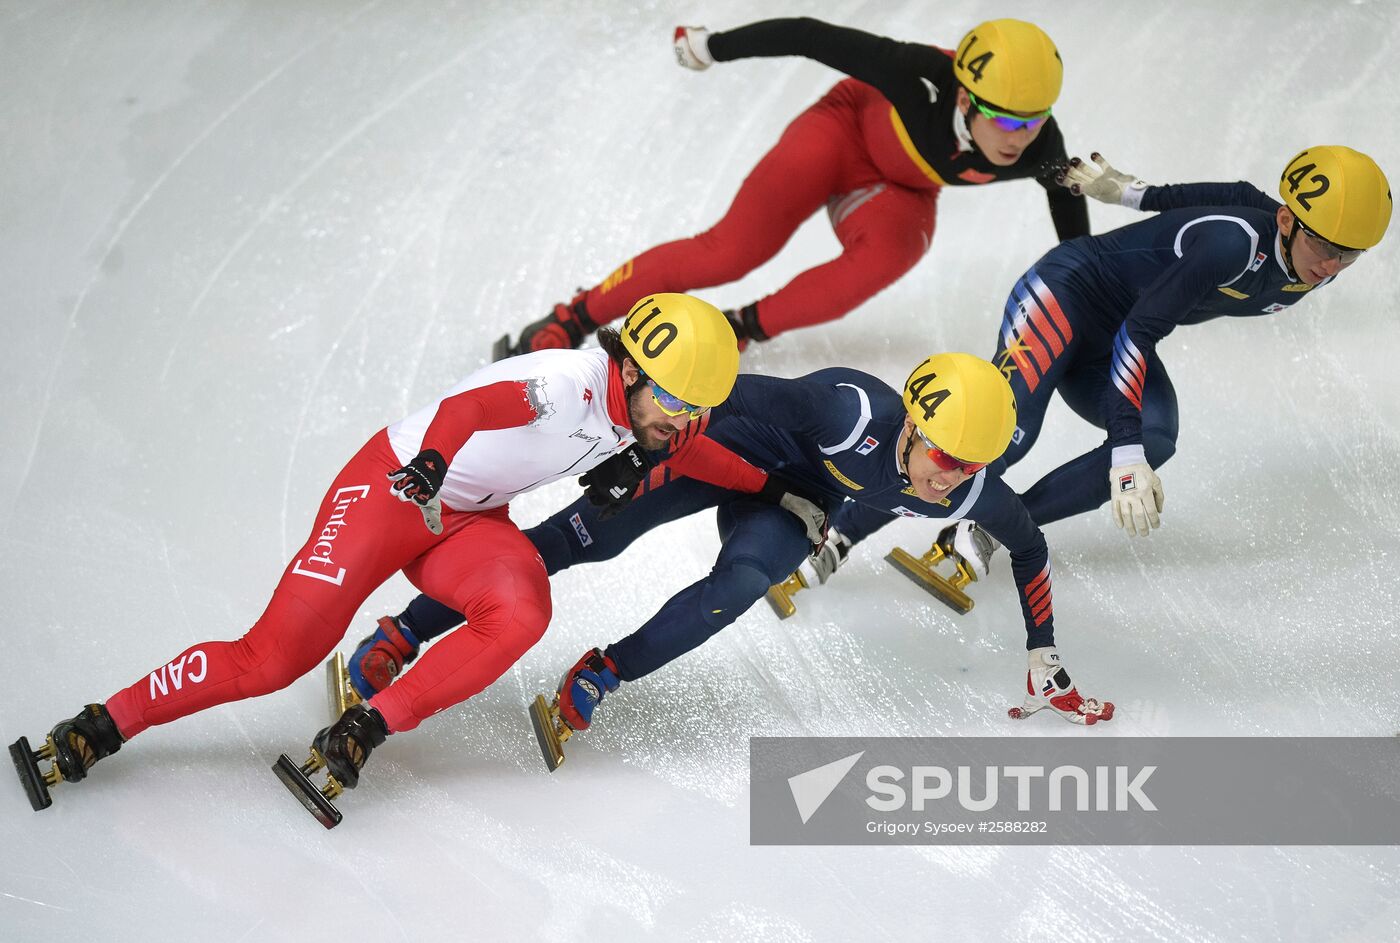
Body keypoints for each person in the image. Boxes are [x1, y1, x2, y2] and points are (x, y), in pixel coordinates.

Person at [9, 293, 774, 820]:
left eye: (695, 410)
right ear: (634, 370)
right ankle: (103, 722)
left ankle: (364, 728)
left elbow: (703, 455)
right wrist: (435, 462)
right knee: (271, 659)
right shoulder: (564, 384)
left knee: (524, 607)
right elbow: (471, 409)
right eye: (676, 406)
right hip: (395, 491)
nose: (682, 425)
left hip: (466, 520)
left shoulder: (645, 409)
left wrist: (774, 484)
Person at [350, 353, 1115, 769]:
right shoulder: (849, 412)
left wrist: (1043, 643)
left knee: (743, 583)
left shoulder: (968, 492)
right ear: (912, 424)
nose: (947, 477)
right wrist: (640, 453)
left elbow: (1032, 546)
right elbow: (723, 396)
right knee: (582, 538)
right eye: (943, 455)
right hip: (724, 449)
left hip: (792, 502)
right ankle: (407, 629)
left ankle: (603, 671)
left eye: (970, 465)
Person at [812, 144, 1392, 570]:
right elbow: (1141, 331)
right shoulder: (1233, 246)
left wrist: (1131, 193)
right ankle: (837, 534)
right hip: (1067, 294)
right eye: (1324, 247)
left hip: (1112, 334)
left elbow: (1240, 194)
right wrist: (1124, 452)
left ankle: (989, 533)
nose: (1332, 267)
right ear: (1289, 222)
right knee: (1002, 436)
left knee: (1157, 438)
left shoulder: (1304, 248)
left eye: (1351, 256)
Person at [495, 16, 1088, 357]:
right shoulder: (916, 76)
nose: (1020, 138)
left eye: (1034, 119)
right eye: (1007, 120)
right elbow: (810, 35)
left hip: (899, 189)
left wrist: (1082, 288)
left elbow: (1067, 205)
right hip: (840, 134)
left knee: (900, 248)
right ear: (964, 97)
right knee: (730, 253)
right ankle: (573, 317)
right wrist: (711, 47)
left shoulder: (1041, 145)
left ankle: (740, 328)